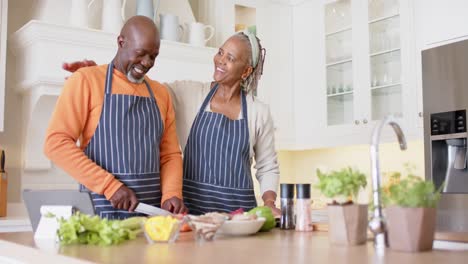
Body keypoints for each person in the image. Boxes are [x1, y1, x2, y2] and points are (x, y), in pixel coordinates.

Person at [63, 30, 281, 216]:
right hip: (193, 215)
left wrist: (269, 203)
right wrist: (99, 76)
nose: (220, 60)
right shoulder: (188, 92)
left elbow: (267, 165)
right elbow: (139, 87)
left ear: (246, 71)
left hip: (241, 217)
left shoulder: (258, 111)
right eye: (220, 52)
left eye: (231, 58)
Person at [44, 16, 187, 219]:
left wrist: (172, 193)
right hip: (100, 214)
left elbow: (170, 154)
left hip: (152, 219)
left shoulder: (160, 93)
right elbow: (55, 143)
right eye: (141, 53)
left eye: (153, 56)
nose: (147, 63)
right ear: (121, 42)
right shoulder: (86, 80)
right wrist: (109, 186)